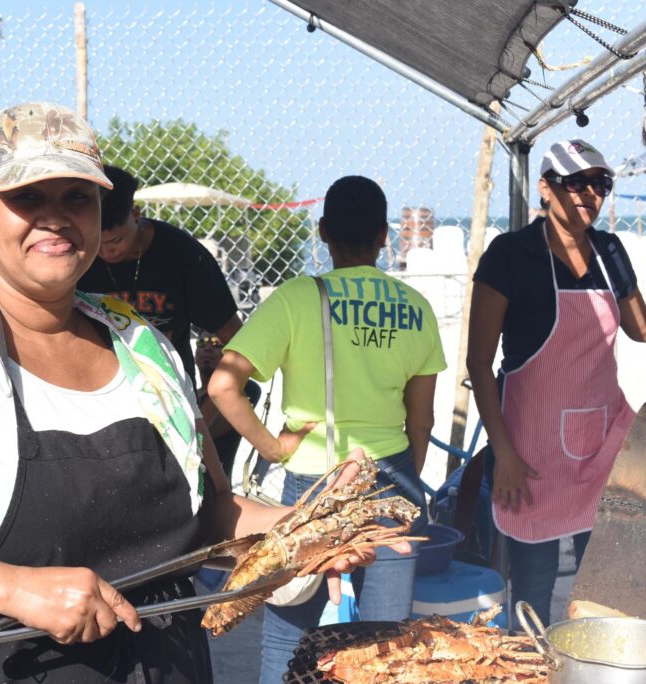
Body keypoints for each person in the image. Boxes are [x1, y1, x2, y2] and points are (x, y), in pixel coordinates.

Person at [0, 102, 394, 684]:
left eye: (77, 197)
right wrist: (15, 588)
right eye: (26, 196)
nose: (55, 217)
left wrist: (297, 531)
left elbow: (207, 515)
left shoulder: (145, 348)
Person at [209, 175, 445, 684]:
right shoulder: (416, 308)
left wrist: (273, 446)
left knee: (287, 631)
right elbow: (421, 419)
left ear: (322, 232)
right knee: (385, 641)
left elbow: (222, 387)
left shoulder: (295, 299)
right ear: (385, 236)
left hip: (313, 483)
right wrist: (403, 482)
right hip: (392, 476)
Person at [468, 139, 646, 624]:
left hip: (603, 440)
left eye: (601, 184)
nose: (589, 193)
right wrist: (502, 454)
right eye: (576, 182)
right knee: (533, 589)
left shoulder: (610, 250)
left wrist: (630, 281)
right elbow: (478, 363)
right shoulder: (511, 254)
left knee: (605, 579)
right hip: (530, 450)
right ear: (545, 188)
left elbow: (639, 329)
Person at [77, 165, 242, 387]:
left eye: (116, 241)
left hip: (171, 389)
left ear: (136, 214)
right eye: (97, 242)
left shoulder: (183, 255)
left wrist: (213, 403)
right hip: (99, 389)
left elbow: (234, 337)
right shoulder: (77, 253)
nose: (106, 252)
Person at [195, 331, 261, 479]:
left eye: (217, 344)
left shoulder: (246, 389)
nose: (207, 348)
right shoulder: (190, 394)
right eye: (201, 343)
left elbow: (198, 433)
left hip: (215, 491)